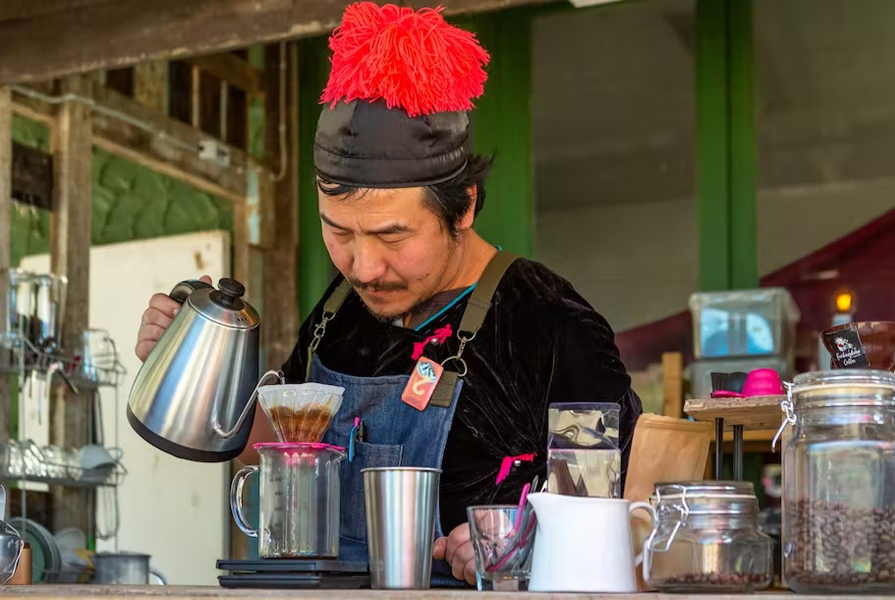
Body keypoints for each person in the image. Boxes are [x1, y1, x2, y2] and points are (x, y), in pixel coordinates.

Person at [134, 2, 642, 587]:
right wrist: (193, 377)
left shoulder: (546, 321)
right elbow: (280, 452)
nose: (363, 266)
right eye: (338, 231)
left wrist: (520, 549)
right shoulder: (336, 314)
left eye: (392, 235)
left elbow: (621, 510)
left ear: (466, 206)